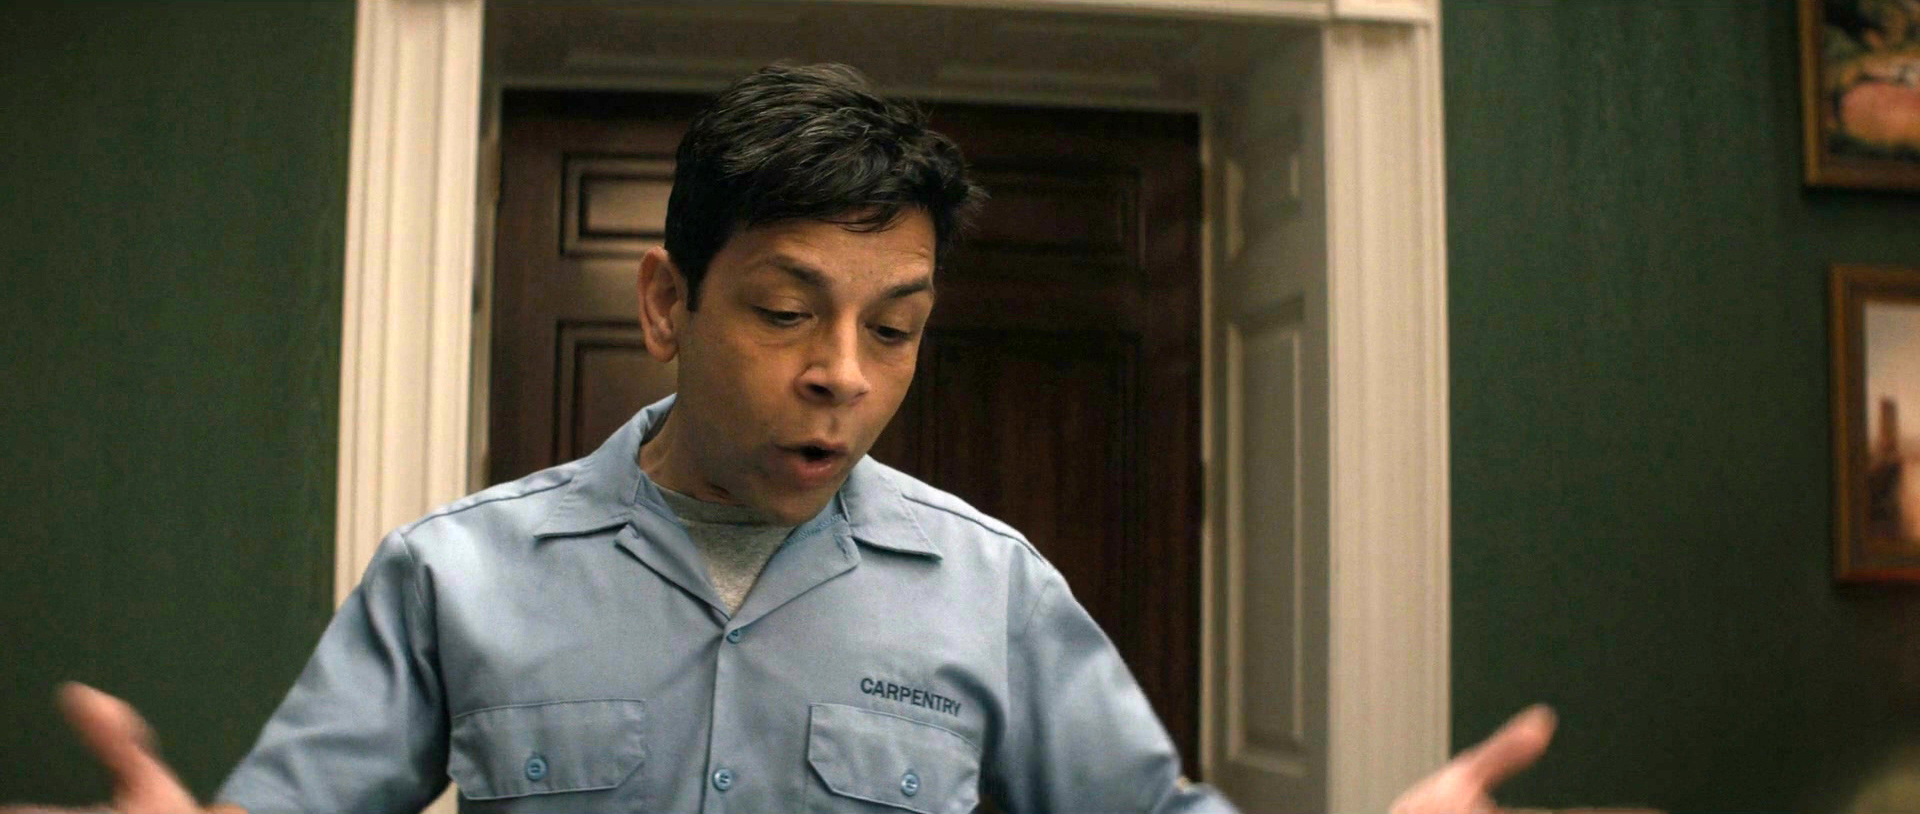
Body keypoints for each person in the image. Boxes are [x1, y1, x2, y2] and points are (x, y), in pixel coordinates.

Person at [5, 63, 1556, 814]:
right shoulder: (453, 574)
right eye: (786, 311)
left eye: (896, 326)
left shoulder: (994, 590)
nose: (841, 376)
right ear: (668, 302)